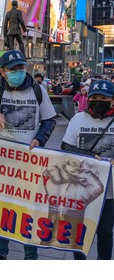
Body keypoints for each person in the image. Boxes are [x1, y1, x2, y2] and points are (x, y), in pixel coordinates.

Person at [0, 49, 57, 260]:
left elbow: (49, 119)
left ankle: (30, 255)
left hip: (29, 163)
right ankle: (0, 252)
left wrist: (39, 139)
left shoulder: (38, 90)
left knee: (28, 210)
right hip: (1, 163)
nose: (18, 72)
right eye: (13, 69)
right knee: (1, 208)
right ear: (3, 72)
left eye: (21, 67)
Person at [61, 80, 114, 260]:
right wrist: (89, 156)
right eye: (95, 97)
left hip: (109, 192)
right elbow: (66, 147)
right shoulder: (78, 120)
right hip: (80, 189)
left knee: (105, 234)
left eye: (104, 98)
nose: (99, 101)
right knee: (78, 234)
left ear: (112, 100)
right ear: (88, 98)